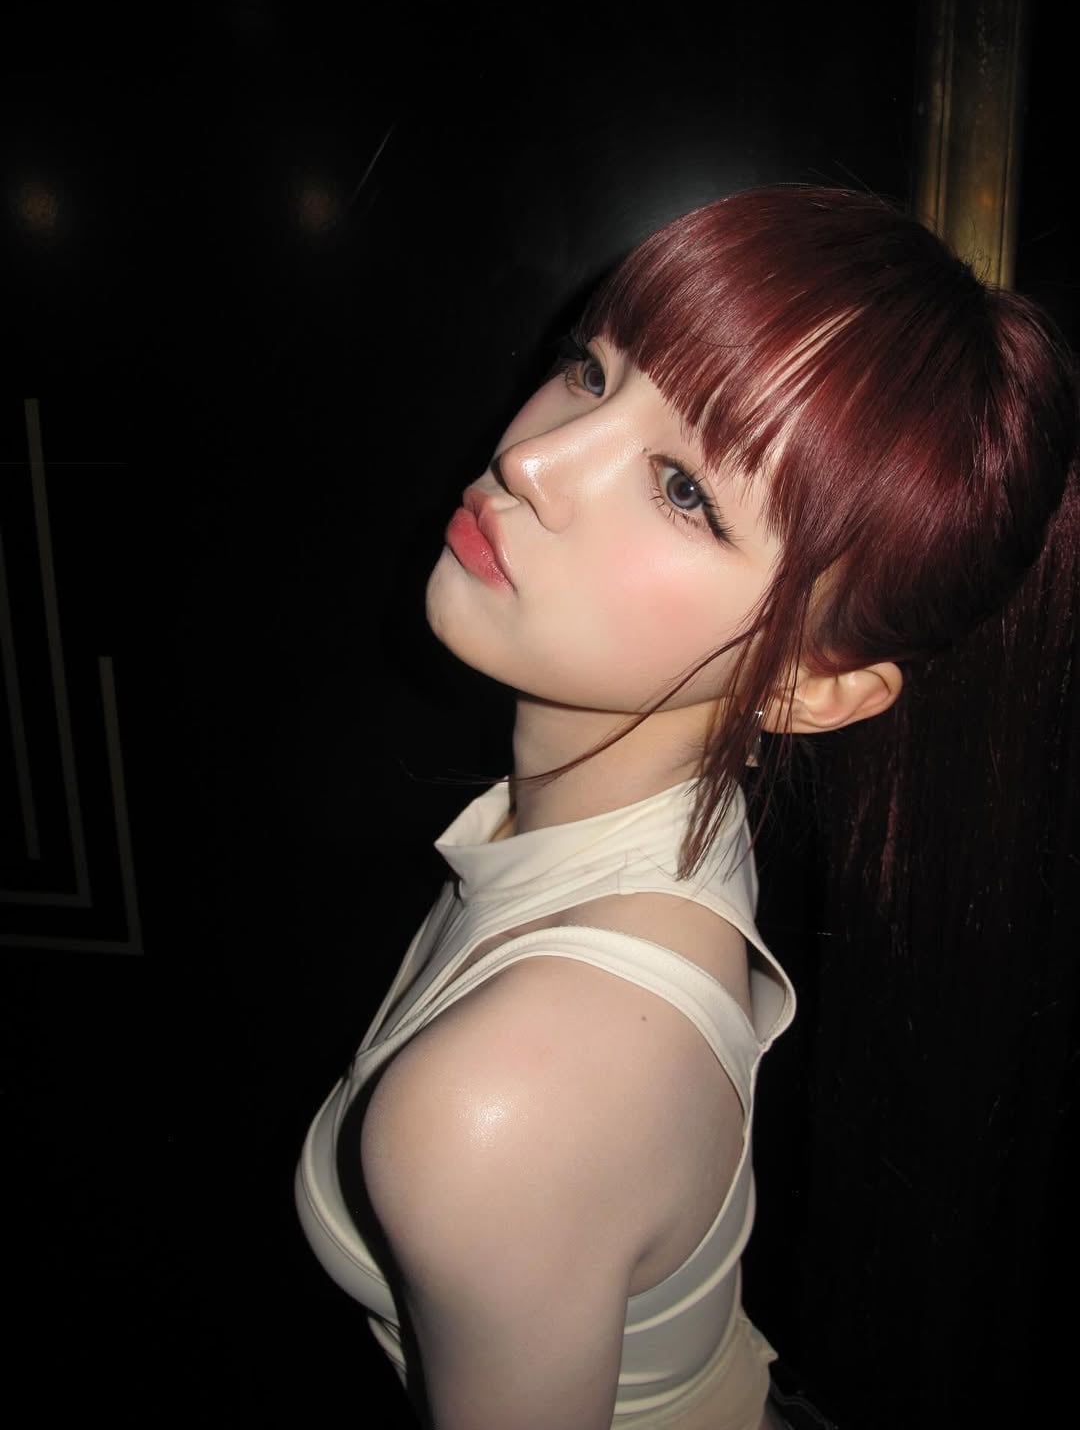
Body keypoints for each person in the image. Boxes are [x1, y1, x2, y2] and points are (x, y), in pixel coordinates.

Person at [295, 185, 1078, 1430]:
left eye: (683, 491)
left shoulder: (504, 1100)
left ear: (813, 690)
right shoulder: (655, 817)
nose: (532, 459)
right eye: (590, 370)